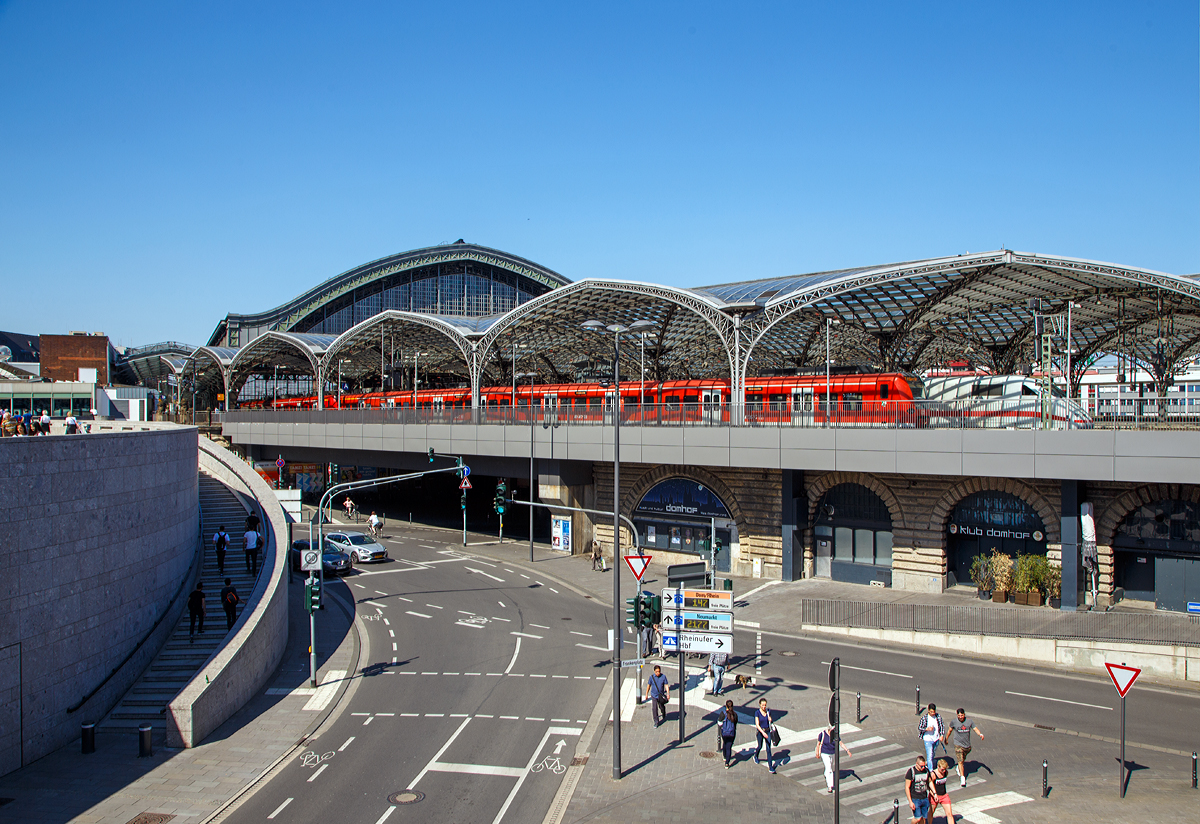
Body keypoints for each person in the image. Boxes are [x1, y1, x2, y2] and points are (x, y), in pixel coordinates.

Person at [945, 707, 984, 787]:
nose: (960, 717)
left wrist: (980, 734)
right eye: (959, 716)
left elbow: (975, 728)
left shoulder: (969, 721)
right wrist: (946, 738)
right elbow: (950, 730)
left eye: (962, 715)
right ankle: (962, 778)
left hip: (967, 745)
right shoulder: (954, 722)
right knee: (960, 761)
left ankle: (959, 767)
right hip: (958, 744)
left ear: (964, 714)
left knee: (962, 759)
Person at [815, 724, 851, 792]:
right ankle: (830, 786)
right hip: (824, 753)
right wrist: (817, 753)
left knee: (829, 766)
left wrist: (847, 750)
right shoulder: (822, 734)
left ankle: (826, 774)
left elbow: (840, 743)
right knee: (829, 768)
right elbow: (818, 744)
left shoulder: (835, 735)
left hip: (832, 753)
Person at [904, 754, 931, 824]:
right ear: (917, 764)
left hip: (924, 797)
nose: (923, 767)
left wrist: (934, 792)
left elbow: (930, 782)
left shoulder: (926, 771)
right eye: (921, 766)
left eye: (924, 765)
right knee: (917, 818)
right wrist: (910, 801)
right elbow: (907, 787)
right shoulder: (911, 772)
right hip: (915, 799)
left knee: (923, 818)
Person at [753, 697, 776, 773]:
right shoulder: (757, 713)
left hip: (767, 730)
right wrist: (763, 733)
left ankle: (770, 767)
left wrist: (770, 719)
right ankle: (756, 755)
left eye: (765, 705)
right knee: (760, 746)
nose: (764, 707)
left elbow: (770, 721)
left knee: (768, 749)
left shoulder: (768, 711)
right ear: (760, 705)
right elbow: (757, 725)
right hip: (761, 731)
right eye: (762, 705)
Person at [919, 703, 945, 768]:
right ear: (928, 710)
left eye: (933, 712)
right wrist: (926, 729)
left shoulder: (938, 716)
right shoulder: (925, 718)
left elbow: (941, 725)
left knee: (933, 752)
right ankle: (930, 770)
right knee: (929, 755)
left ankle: (930, 762)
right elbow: (920, 728)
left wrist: (941, 735)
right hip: (928, 738)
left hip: (936, 738)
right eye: (931, 712)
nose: (933, 713)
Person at [929, 758, 954, 822]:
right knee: (931, 812)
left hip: (944, 795)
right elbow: (929, 786)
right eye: (942, 769)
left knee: (949, 814)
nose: (944, 771)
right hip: (935, 795)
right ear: (938, 766)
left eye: (945, 769)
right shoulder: (933, 774)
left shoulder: (946, 773)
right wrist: (934, 795)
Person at [719, 699, 738, 768]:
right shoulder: (735, 714)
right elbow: (735, 723)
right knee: (729, 747)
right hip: (732, 733)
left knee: (725, 743)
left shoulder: (723, 713)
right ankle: (727, 763)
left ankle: (724, 756)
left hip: (724, 733)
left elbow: (719, 722)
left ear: (726, 706)